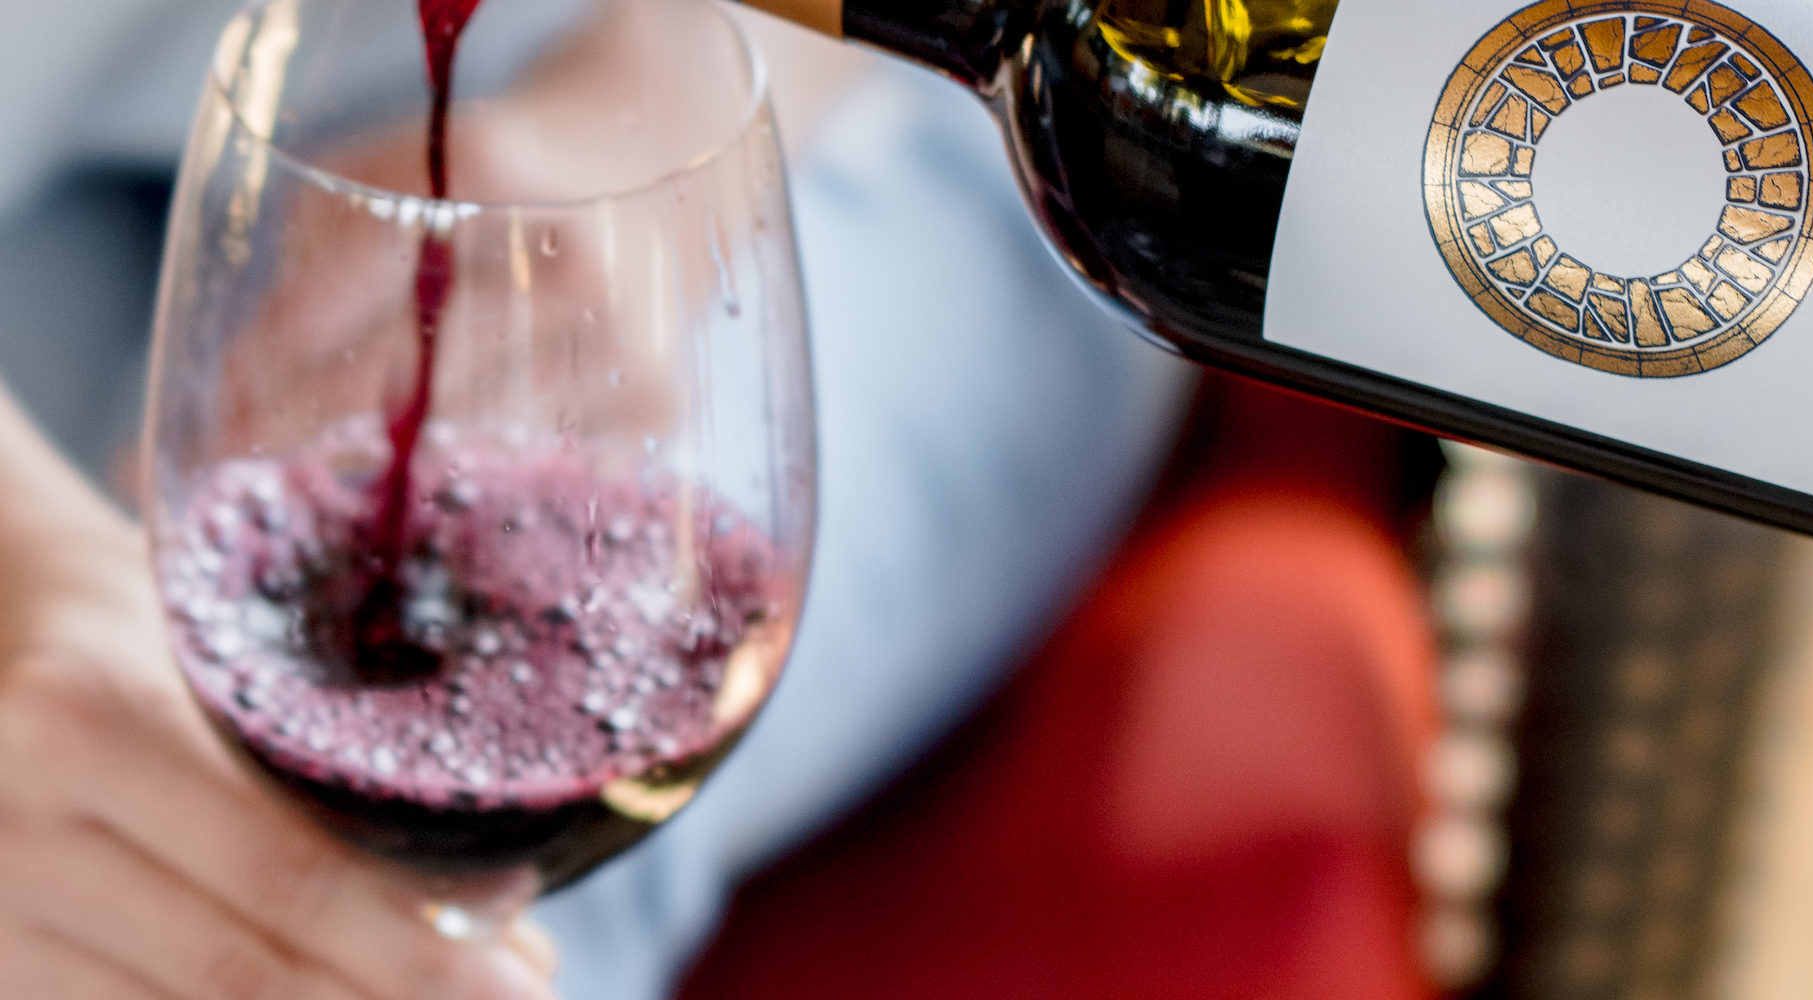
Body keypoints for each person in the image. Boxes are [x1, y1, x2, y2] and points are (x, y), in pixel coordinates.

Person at [0, 2, 1193, 997]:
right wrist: (28, 566)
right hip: (57, 139)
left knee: (472, 856)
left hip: (869, 80)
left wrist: (656, 88)